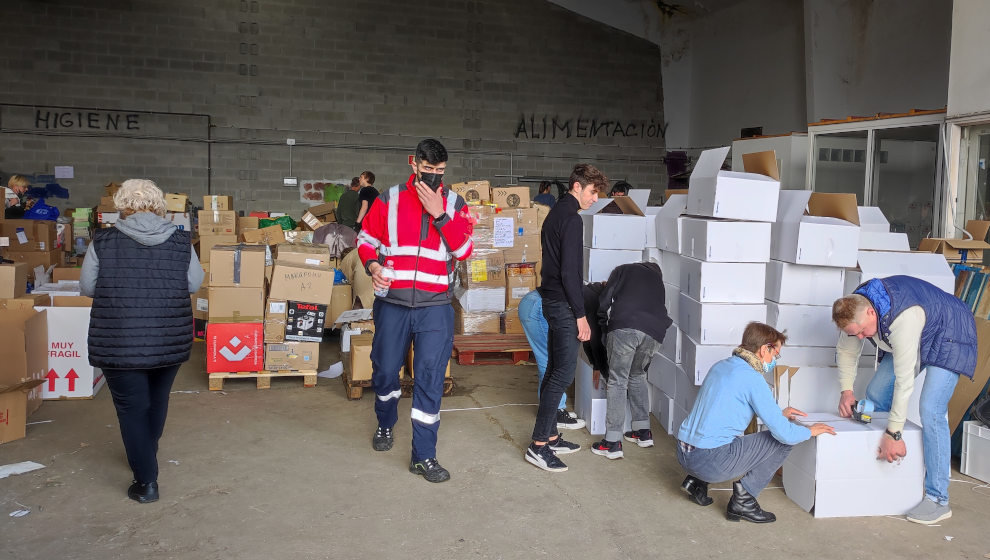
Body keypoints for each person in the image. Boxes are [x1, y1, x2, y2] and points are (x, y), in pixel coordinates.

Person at [356, 139, 473, 483]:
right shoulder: (389, 199)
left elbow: (464, 250)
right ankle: (385, 422)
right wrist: (374, 266)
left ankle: (423, 455)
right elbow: (365, 240)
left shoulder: (454, 203)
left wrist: (440, 213)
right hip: (393, 304)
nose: (435, 177)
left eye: (440, 172)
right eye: (428, 170)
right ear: (414, 164)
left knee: (430, 379)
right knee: (385, 371)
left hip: (435, 308)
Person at [80, 179, 204, 504]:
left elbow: (88, 287)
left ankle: (146, 481)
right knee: (157, 399)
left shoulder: (103, 241)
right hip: (168, 336)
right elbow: (193, 283)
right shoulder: (180, 240)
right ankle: (147, 451)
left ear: (122, 205)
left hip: (118, 339)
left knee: (131, 408)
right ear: (159, 204)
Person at [832, 275, 977, 525]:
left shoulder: (903, 319)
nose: (860, 338)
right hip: (920, 328)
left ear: (870, 312)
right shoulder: (852, 308)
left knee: (931, 409)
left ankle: (938, 498)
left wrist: (894, 433)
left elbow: (904, 380)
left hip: (951, 330)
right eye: (854, 334)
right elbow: (846, 350)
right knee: (876, 393)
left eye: (862, 332)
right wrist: (846, 391)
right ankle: (890, 472)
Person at [676, 322, 835, 523]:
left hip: (684, 453)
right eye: (775, 354)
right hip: (709, 461)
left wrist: (779, 414)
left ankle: (696, 482)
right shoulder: (752, 378)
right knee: (784, 441)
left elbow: (727, 410)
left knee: (722, 436)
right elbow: (784, 434)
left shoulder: (721, 366)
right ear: (764, 349)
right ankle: (745, 499)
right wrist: (809, 431)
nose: (774, 360)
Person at [525, 163, 609, 473]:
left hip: (551, 299)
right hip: (562, 304)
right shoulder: (572, 220)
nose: (595, 198)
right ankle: (538, 446)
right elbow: (570, 273)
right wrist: (580, 315)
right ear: (577, 186)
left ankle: (549, 434)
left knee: (554, 372)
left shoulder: (555, 214)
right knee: (562, 374)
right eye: (592, 191)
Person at [590, 262, 672, 459]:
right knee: (638, 375)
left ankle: (612, 442)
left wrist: (603, 327)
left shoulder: (623, 269)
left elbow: (605, 299)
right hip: (655, 332)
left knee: (617, 380)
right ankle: (643, 432)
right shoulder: (657, 280)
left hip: (625, 326)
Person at [518, 289, 585, 430]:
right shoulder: (595, 303)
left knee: (548, 359)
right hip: (539, 306)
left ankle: (550, 409)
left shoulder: (591, 292)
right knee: (550, 361)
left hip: (532, 301)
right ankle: (555, 412)